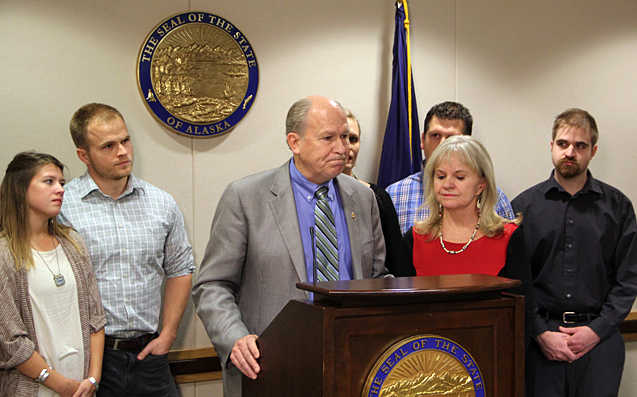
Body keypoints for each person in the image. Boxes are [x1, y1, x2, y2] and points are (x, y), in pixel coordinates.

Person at [192, 95, 387, 397]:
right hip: (271, 367)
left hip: (351, 364)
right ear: (294, 143)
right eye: (328, 138)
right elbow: (212, 285)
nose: (343, 148)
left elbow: (376, 277)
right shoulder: (246, 198)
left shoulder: (362, 198)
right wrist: (235, 339)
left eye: (346, 137)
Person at [59, 104, 194, 397]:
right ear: (84, 155)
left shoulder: (161, 204)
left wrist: (168, 334)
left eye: (125, 140)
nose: (122, 151)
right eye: (108, 146)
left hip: (149, 354)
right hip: (90, 360)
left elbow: (180, 269)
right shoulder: (62, 208)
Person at [511, 108, 637, 397]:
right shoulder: (523, 208)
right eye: (563, 144)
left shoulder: (618, 207)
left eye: (580, 146)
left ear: (593, 151)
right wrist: (541, 332)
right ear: (551, 146)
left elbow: (628, 278)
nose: (570, 152)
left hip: (600, 341)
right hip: (540, 344)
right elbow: (518, 281)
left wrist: (596, 331)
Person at [0, 152, 106, 397]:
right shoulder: (6, 253)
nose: (59, 189)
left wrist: (93, 377)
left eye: (61, 183)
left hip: (83, 386)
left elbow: (96, 319)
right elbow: (10, 342)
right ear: (20, 188)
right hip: (33, 388)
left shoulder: (73, 242)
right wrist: (58, 383)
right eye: (49, 182)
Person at [386, 101, 515, 235]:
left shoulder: (493, 197)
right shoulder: (395, 194)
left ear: (466, 143)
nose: (442, 145)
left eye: (451, 138)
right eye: (435, 136)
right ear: (423, 140)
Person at [404, 136, 521, 278]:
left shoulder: (508, 237)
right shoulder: (416, 238)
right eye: (441, 176)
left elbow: (521, 299)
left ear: (481, 185)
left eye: (459, 177)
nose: (447, 185)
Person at [342, 108, 413, 277]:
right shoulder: (313, 197)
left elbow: (399, 266)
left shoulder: (377, 197)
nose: (347, 146)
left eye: (353, 139)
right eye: (340, 138)